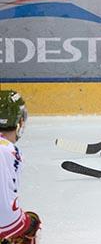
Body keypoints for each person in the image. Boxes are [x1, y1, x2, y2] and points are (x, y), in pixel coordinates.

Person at [0, 90, 41, 243]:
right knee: (30, 224)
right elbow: (4, 214)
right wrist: (25, 225)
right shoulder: (6, 151)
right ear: (19, 122)